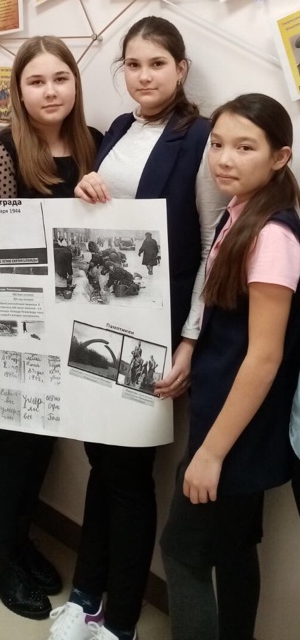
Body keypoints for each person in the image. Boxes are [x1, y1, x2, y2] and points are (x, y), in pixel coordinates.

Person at [49, 16, 227, 640]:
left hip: (156, 327)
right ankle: (85, 596)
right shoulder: (120, 130)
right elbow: (106, 220)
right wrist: (87, 189)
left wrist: (190, 341)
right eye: (132, 64)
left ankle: (118, 619)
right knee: (102, 461)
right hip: (100, 316)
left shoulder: (200, 137)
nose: (144, 76)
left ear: (181, 69)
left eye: (157, 64)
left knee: (127, 473)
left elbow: (211, 246)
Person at [161, 93, 300, 640]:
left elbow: (265, 355)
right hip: (231, 418)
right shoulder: (240, 212)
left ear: (279, 157)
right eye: (217, 144)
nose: (224, 159)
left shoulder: (272, 235)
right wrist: (191, 349)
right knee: (235, 547)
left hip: (236, 430)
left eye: (245, 148)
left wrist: (211, 453)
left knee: (183, 552)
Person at [0, 36, 102, 619]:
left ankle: (19, 540)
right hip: (18, 323)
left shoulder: (93, 142)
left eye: (60, 78)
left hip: (71, 321)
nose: (50, 91)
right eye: (36, 81)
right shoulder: (3, 152)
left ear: (75, 84)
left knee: (43, 439)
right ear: (18, 93)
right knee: (11, 445)